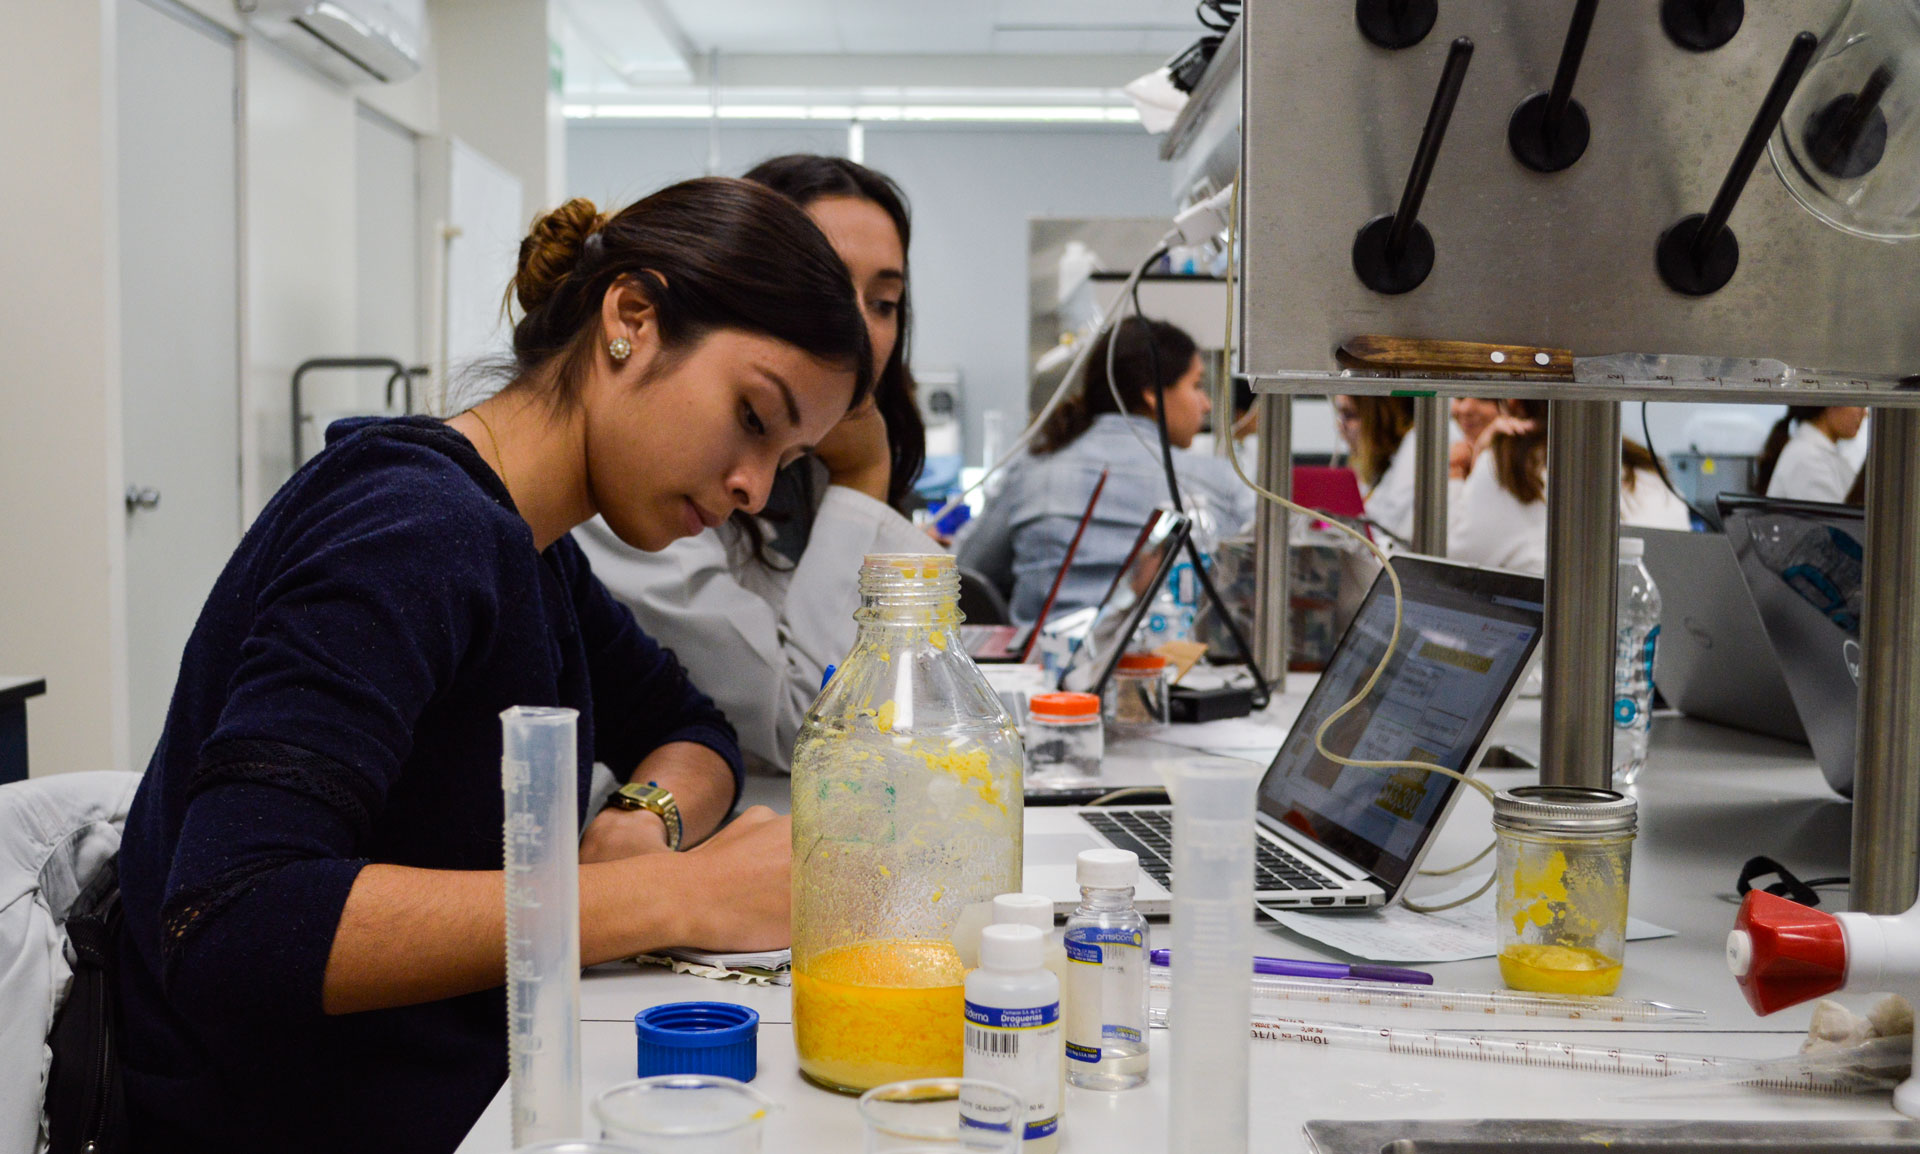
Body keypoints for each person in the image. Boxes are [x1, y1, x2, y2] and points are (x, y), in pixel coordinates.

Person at [110, 178, 873, 1154]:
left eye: (789, 460)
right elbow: (229, 921)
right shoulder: (415, 526)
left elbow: (691, 725)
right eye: (753, 417)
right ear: (630, 319)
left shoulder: (531, 543)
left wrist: (647, 822)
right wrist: (670, 896)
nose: (752, 485)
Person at [578, 156, 930, 772]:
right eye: (822, 286)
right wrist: (862, 483)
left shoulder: (800, 465)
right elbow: (808, 727)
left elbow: (910, 691)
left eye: (883, 303)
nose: (853, 328)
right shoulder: (645, 474)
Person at [957, 316, 1256, 623]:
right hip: (1168, 663)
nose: (1205, 404)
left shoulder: (1032, 466)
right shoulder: (1218, 483)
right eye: (1196, 385)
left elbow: (968, 572)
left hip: (1040, 665)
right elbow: (1257, 582)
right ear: (1151, 392)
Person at [1450, 400, 1686, 575]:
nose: (1463, 408)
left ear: (1512, 403)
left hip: (1556, 627)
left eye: (1482, 397)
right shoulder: (1643, 465)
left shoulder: (1507, 464)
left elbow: (1452, 558)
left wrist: (1457, 473)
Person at [1333, 394, 1416, 543]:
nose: (1340, 426)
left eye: (1349, 415)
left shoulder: (1414, 449)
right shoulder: (1376, 468)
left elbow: (1391, 535)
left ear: (1381, 417)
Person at [1758, 405, 1865, 503]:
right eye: (1859, 405)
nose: (1865, 413)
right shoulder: (1808, 458)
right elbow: (1829, 521)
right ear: (1831, 405)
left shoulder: (1816, 452)